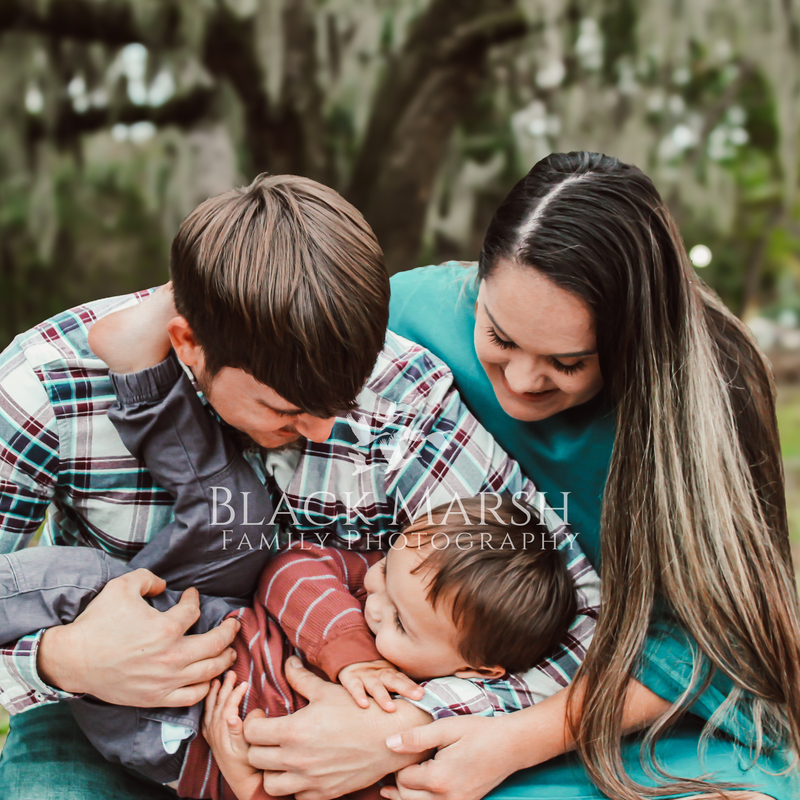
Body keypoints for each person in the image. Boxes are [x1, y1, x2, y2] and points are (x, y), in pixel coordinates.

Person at [0, 172, 598, 799]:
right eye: (285, 410)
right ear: (189, 344)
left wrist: (406, 724)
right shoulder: (44, 388)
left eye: (340, 402)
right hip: (93, 700)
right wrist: (62, 660)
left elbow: (579, 620)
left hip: (303, 724)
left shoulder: (398, 399)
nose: (319, 431)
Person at [373, 151, 800, 799]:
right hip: (405, 660)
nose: (519, 383)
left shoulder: (715, 383)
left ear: (639, 341)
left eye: (567, 363)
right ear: (478, 282)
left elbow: (714, 638)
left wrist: (510, 741)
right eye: (499, 336)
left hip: (620, 709)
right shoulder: (412, 309)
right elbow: (234, 324)